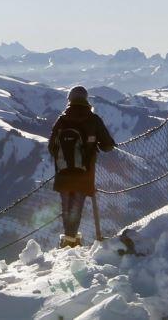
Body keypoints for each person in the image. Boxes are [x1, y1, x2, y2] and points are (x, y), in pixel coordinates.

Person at [47, 85, 116, 248]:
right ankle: (70, 240)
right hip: (84, 173)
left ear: (69, 100)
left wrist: (64, 159)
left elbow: (51, 147)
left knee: (67, 206)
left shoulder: (61, 119)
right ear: (86, 99)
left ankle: (69, 239)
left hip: (63, 171)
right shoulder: (93, 119)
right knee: (77, 205)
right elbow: (108, 145)